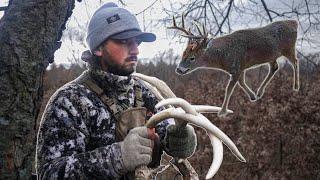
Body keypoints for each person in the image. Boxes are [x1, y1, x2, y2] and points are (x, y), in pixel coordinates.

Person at [35, 2, 196, 179]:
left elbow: (169, 138)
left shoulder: (144, 91)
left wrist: (180, 139)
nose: (135, 50)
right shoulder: (70, 101)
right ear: (97, 48)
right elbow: (50, 173)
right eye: (124, 41)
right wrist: (118, 158)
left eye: (137, 41)